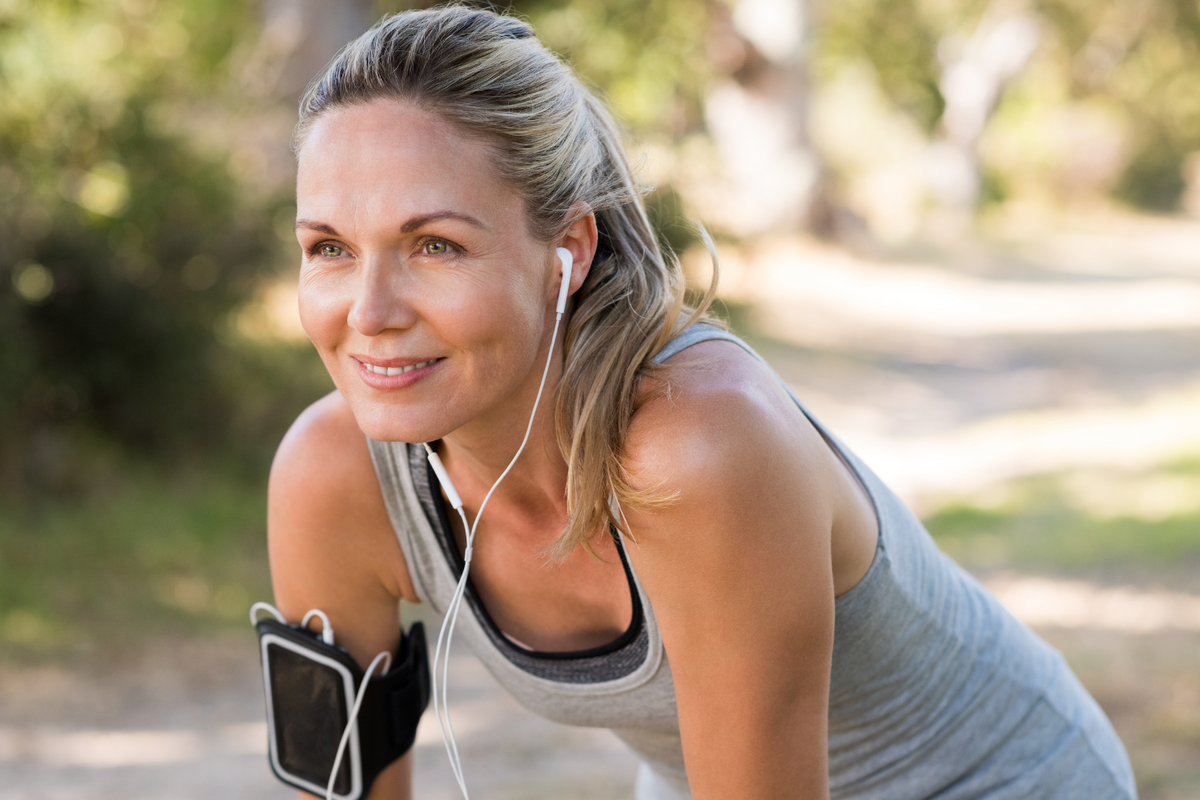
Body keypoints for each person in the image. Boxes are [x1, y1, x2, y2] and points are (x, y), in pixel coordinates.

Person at [267, 6, 1137, 799]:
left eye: (435, 245)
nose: (370, 314)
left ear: (566, 250)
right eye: (330, 249)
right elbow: (336, 792)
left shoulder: (696, 449)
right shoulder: (333, 477)